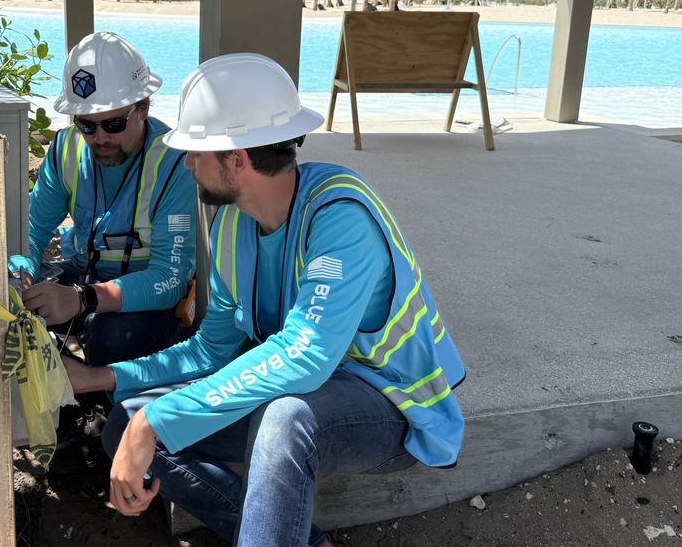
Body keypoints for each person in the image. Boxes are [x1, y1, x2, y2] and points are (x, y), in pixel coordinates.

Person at [63, 53, 466, 546]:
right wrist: (99, 379)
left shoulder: (339, 215)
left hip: (391, 403)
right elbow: (210, 350)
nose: (186, 163)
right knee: (126, 420)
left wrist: (159, 418)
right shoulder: (234, 221)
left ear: (237, 158)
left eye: (196, 151)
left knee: (284, 419)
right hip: (304, 389)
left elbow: (307, 357)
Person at [8, 32, 197, 368]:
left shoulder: (174, 162)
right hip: (83, 275)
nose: (100, 139)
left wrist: (82, 300)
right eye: (87, 125)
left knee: (111, 340)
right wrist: (22, 271)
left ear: (143, 108)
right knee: (13, 313)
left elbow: (170, 279)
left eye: (113, 123)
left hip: (146, 293)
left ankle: (110, 404)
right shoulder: (66, 149)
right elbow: (33, 232)